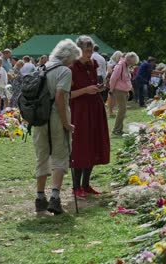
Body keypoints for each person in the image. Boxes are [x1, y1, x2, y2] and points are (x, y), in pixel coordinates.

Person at [33, 38, 80, 214]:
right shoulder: (64, 71)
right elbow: (60, 98)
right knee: (60, 155)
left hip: (39, 118)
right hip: (55, 117)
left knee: (42, 155)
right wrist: (66, 123)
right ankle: (55, 197)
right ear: (68, 56)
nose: (74, 62)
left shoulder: (41, 68)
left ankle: (39, 198)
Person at [69, 35, 110, 198]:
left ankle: (86, 184)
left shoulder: (93, 64)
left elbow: (91, 83)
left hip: (94, 107)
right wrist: (85, 90)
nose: (89, 54)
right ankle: (76, 186)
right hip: (79, 111)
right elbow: (67, 94)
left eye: (91, 51)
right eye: (86, 51)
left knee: (94, 144)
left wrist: (99, 88)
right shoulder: (71, 68)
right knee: (80, 146)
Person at [110, 52, 139, 135]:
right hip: (119, 90)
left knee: (123, 110)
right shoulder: (120, 66)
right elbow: (113, 78)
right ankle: (116, 129)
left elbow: (126, 79)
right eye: (133, 62)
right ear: (129, 60)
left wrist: (130, 88)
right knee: (122, 110)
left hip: (124, 91)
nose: (133, 64)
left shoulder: (125, 66)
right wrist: (111, 90)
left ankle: (119, 129)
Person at [106, 51, 123, 117]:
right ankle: (110, 111)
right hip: (111, 80)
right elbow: (109, 72)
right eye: (120, 57)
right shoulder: (111, 63)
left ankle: (111, 110)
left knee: (114, 96)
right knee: (111, 95)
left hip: (115, 81)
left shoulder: (117, 63)